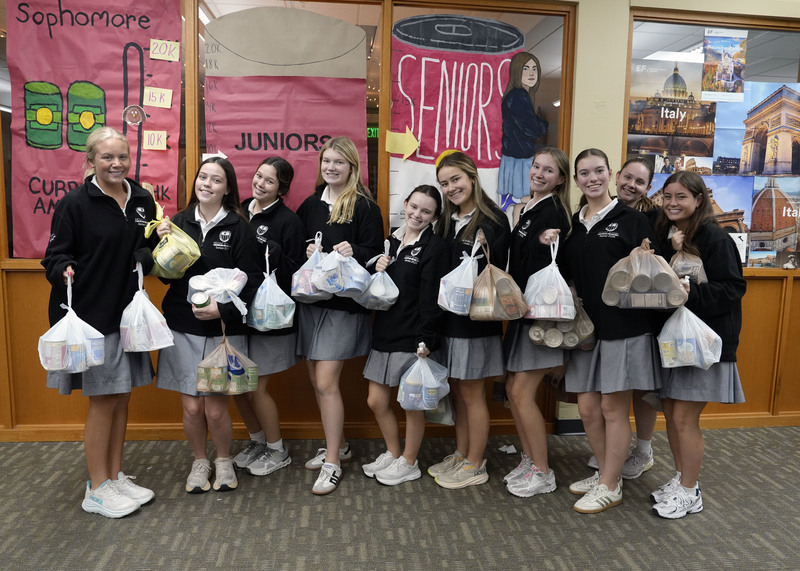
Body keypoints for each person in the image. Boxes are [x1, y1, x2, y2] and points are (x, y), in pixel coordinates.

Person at [42, 126, 157, 518]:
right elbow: (54, 256)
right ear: (90, 160)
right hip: (93, 317)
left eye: (122, 156)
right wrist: (65, 270)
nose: (117, 164)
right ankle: (97, 487)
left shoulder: (141, 198)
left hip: (128, 316)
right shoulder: (74, 203)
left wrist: (146, 254)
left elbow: (149, 242)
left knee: (121, 397)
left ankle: (114, 474)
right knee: (103, 401)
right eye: (107, 157)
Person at [554, 148, 661, 514]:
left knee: (612, 407)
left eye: (599, 170)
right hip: (585, 331)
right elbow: (567, 273)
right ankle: (605, 471)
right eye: (584, 173)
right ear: (577, 179)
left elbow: (650, 277)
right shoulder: (573, 222)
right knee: (586, 407)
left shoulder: (632, 220)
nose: (592, 178)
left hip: (625, 329)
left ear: (610, 173)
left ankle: (609, 484)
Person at [155, 156, 262, 494]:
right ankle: (200, 460)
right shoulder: (177, 222)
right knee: (191, 406)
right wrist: (159, 243)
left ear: (227, 188)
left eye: (216, 180)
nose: (207, 184)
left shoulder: (240, 227)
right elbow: (163, 275)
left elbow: (254, 281)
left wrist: (223, 310)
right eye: (203, 177)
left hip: (222, 332)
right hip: (182, 326)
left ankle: (224, 460)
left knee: (215, 409)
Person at [652, 171, 746, 519]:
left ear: (699, 199)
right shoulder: (671, 234)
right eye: (668, 196)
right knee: (674, 416)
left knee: (684, 418)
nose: (673, 203)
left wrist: (691, 292)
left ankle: (691, 491)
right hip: (677, 341)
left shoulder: (713, 237)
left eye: (681, 197)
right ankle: (681, 479)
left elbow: (733, 289)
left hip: (704, 344)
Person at [295, 136, 384, 495]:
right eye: (326, 161)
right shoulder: (310, 204)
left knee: (327, 381)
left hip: (344, 308)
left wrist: (355, 249)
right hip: (311, 303)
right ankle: (341, 446)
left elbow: (376, 253)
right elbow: (297, 245)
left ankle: (332, 462)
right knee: (317, 380)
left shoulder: (364, 206)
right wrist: (307, 248)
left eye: (338, 162)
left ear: (352, 167)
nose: (331, 168)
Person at [430, 150, 511, 489]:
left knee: (473, 393)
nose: (451, 188)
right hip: (450, 319)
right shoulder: (448, 220)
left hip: (477, 322)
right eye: (444, 183)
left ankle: (476, 463)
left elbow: (500, 270)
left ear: (472, 177)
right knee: (460, 391)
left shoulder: (492, 220)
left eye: (456, 180)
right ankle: (463, 454)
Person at [361, 185, 450, 486]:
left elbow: (432, 298)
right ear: (406, 203)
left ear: (435, 216)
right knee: (376, 400)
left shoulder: (434, 248)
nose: (417, 214)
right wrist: (377, 265)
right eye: (414, 207)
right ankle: (393, 452)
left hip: (413, 338)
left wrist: (426, 339)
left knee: (411, 404)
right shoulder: (392, 239)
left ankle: (409, 462)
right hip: (384, 331)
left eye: (426, 211)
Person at [585, 157, 660, 479]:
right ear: (617, 177)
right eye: (627, 177)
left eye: (639, 182)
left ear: (648, 187)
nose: (631, 184)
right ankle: (612, 453)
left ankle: (643, 449)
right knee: (608, 396)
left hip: (640, 317)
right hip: (603, 319)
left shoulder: (650, 219)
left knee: (641, 391)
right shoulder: (593, 212)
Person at [502, 147, 571, 498]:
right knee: (513, 389)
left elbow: (554, 258)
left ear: (561, 179)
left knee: (519, 391)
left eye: (549, 170)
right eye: (537, 167)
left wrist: (548, 242)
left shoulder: (552, 211)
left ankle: (543, 471)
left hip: (538, 316)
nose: (540, 173)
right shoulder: (528, 207)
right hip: (521, 312)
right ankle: (530, 458)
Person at [232, 157, 305, 476]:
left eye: (269, 181)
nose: (260, 183)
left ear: (281, 188)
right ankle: (258, 441)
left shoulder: (289, 221)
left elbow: (296, 273)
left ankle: (277, 449)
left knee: (257, 387)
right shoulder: (239, 209)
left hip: (269, 318)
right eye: (258, 176)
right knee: (238, 385)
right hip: (236, 312)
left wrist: (273, 251)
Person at [497, 52, 549, 212]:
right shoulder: (518, 96)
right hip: (518, 160)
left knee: (516, 205)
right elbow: (532, 128)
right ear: (517, 71)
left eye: (535, 68)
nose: (532, 73)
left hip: (515, 158)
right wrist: (543, 124)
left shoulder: (521, 95)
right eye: (526, 68)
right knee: (521, 204)